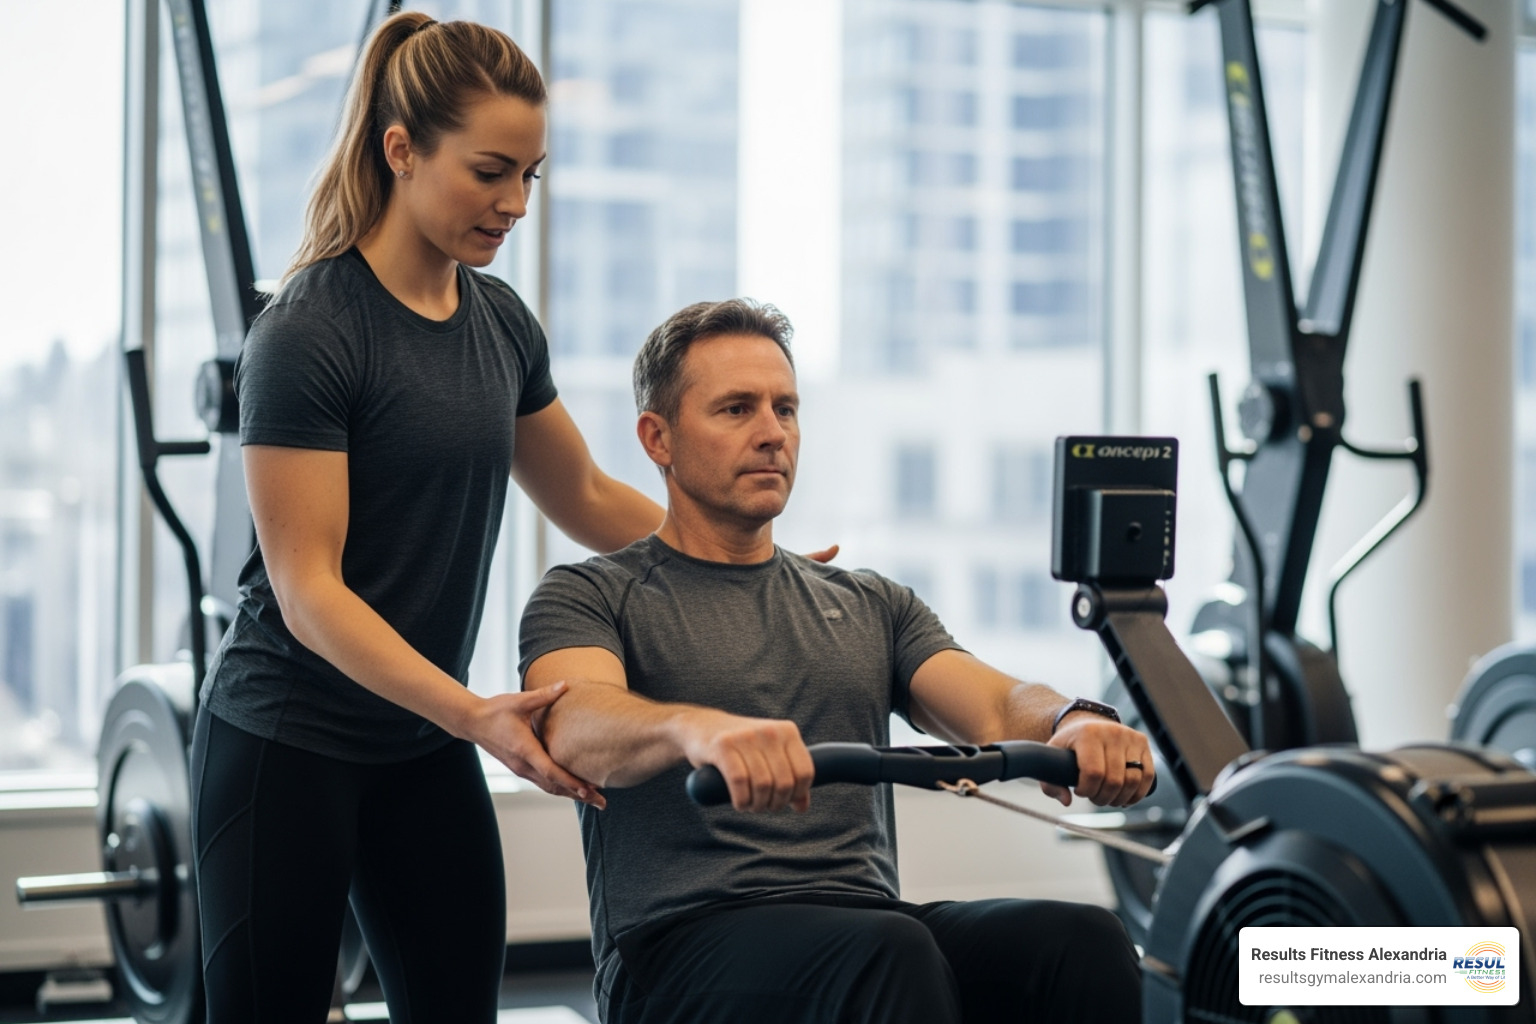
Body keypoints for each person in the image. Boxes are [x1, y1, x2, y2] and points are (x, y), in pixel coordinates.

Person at [190, 13, 666, 1023]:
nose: (515, 204)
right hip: (288, 745)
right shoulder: (310, 331)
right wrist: (474, 712)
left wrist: (747, 559)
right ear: (401, 149)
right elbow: (308, 591)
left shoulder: (498, 322)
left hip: (419, 748)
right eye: (492, 172)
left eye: (531, 176)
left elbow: (580, 492)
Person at [519, 298, 1152, 1024]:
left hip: (865, 928)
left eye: (785, 409)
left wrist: (1071, 720)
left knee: (1079, 941)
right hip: (676, 951)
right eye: (735, 410)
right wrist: (694, 731)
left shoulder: (866, 602)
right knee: (889, 950)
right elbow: (572, 722)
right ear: (657, 438)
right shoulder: (592, 593)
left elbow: (996, 705)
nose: (771, 434)